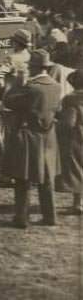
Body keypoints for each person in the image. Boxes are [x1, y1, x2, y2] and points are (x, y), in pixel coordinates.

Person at [3, 49, 62, 228]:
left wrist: (16, 83)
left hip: (29, 135)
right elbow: (57, 109)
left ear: (35, 67)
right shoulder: (56, 86)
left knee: (23, 178)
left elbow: (9, 101)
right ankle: (50, 216)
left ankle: (21, 218)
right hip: (49, 135)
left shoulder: (30, 87)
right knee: (47, 179)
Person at [57, 70, 83, 215]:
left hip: (77, 137)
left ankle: (78, 202)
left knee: (77, 168)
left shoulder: (71, 99)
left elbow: (68, 123)